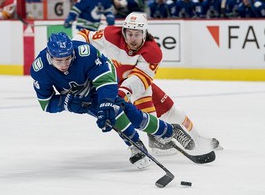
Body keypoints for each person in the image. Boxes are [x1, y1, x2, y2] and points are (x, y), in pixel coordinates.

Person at [30, 32, 195, 169]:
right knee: (123, 114)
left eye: (68, 59)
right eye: (59, 61)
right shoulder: (40, 69)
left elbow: (105, 78)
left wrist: (106, 102)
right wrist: (66, 102)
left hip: (102, 82)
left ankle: (160, 134)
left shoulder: (84, 53)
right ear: (49, 56)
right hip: (79, 97)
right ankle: (153, 136)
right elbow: (46, 103)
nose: (65, 64)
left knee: (114, 111)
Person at [73, 12, 220, 154]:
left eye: (137, 34)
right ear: (123, 32)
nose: (133, 39)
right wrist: (75, 51)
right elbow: (86, 35)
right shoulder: (111, 34)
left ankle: (198, 139)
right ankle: (156, 137)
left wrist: (123, 92)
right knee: (141, 103)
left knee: (173, 111)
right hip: (110, 84)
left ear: (144, 33)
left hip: (134, 86)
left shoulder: (153, 51)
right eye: (130, 34)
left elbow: (140, 79)